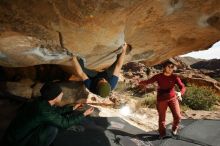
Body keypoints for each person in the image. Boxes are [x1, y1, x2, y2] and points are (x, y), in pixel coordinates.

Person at [3, 83, 94, 146]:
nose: (62, 93)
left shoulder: (41, 101)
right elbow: (64, 123)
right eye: (60, 93)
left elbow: (54, 111)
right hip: (17, 141)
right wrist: (84, 114)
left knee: (55, 121)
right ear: (54, 97)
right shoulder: (43, 110)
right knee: (53, 128)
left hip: (14, 134)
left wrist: (72, 108)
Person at [138, 60, 186, 138]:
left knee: (178, 117)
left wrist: (180, 93)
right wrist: (139, 82)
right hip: (161, 99)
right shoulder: (158, 76)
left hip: (173, 98)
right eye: (169, 66)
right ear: (164, 67)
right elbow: (148, 81)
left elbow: (182, 87)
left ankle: (174, 129)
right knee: (162, 118)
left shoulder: (175, 77)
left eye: (172, 67)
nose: (171, 68)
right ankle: (162, 133)